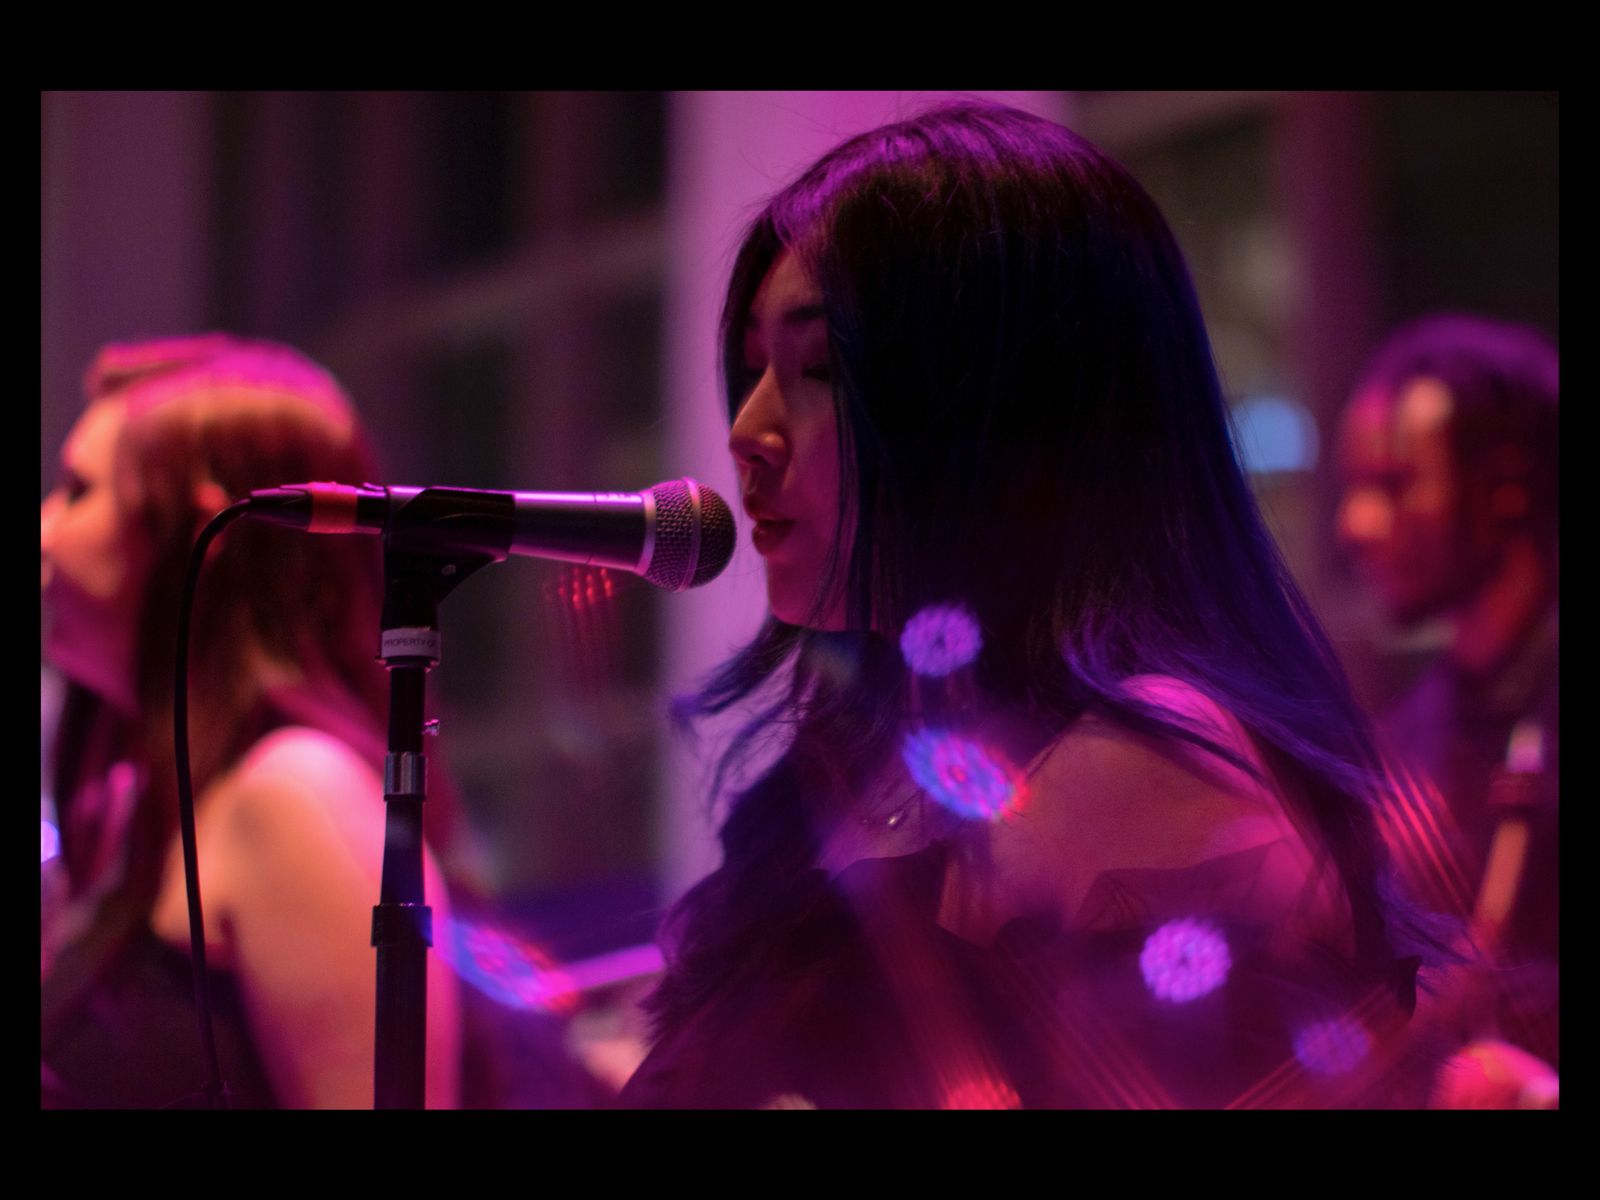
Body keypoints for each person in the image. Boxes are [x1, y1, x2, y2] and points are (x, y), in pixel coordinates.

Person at [618, 103, 1452, 1109]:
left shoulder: (1135, 767)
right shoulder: (847, 765)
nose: (747, 430)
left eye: (820, 369)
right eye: (753, 371)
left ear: (998, 405)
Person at [40, 333, 461, 1108]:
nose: (45, 533)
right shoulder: (143, 809)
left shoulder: (295, 792)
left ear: (201, 529)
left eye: (77, 490)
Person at [1336, 315, 1558, 1068]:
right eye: (1354, 488)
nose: (1355, 523)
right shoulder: (1402, 745)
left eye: (1393, 484)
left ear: (1505, 490)